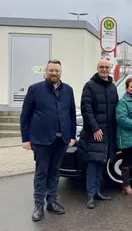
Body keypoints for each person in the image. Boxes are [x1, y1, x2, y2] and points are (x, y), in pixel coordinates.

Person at [20, 59, 76, 222]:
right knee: (41, 172)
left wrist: (72, 136)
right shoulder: (35, 89)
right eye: (51, 70)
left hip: (61, 140)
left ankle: (52, 201)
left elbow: (71, 114)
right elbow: (26, 115)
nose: (54, 73)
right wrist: (25, 138)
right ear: (46, 71)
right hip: (41, 139)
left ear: (61, 72)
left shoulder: (68, 90)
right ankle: (38, 205)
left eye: (57, 71)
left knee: (55, 171)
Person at [80, 59, 118, 209]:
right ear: (97, 68)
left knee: (102, 161)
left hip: (108, 132)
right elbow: (86, 110)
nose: (104, 69)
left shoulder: (112, 87)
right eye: (101, 67)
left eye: (106, 67)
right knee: (92, 163)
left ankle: (97, 192)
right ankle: (90, 195)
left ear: (110, 69)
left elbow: (116, 108)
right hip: (95, 133)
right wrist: (95, 128)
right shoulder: (89, 86)